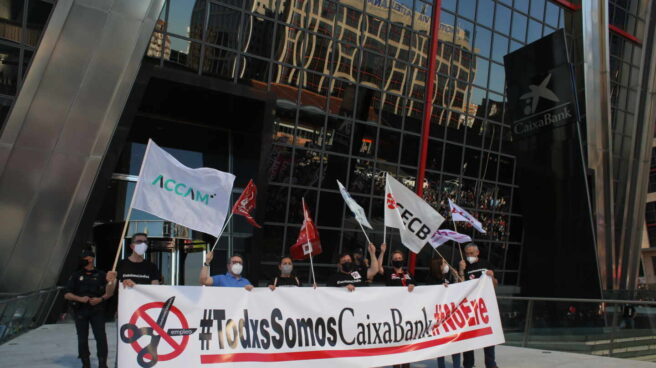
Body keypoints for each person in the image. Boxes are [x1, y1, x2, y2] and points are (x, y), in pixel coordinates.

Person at [64, 248, 116, 368]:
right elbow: (67, 294)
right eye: (82, 258)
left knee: (101, 337)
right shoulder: (76, 275)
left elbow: (109, 292)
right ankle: (85, 363)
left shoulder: (102, 275)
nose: (84, 260)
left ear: (92, 259)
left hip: (97, 310)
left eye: (86, 258)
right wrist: (79, 298)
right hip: (81, 310)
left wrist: (100, 299)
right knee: (82, 338)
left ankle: (103, 363)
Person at [459, 243, 498, 368]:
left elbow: (495, 284)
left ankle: (491, 364)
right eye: (467, 254)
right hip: (469, 308)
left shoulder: (486, 264)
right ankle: (468, 364)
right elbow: (459, 286)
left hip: (484, 306)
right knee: (468, 337)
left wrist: (491, 277)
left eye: (471, 253)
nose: (469, 256)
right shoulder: (463, 265)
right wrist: (460, 270)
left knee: (488, 336)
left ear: (477, 253)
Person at [376, 243, 415, 368]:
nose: (398, 260)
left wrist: (413, 286)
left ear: (403, 260)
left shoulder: (408, 274)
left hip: (407, 312)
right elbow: (378, 267)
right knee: (396, 342)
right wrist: (382, 252)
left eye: (400, 258)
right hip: (393, 313)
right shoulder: (388, 272)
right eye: (395, 259)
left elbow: (418, 290)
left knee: (407, 342)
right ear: (392, 261)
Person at [426, 257, 462, 368]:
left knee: (455, 344)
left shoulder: (446, 278)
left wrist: (457, 277)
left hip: (450, 316)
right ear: (438, 266)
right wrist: (440, 289)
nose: (446, 265)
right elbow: (429, 294)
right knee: (441, 345)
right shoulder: (430, 279)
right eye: (444, 263)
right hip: (439, 317)